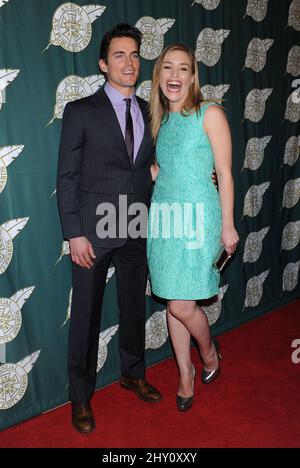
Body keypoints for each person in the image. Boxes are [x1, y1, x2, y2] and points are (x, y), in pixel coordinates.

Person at [57, 23, 162, 434]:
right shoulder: (81, 111)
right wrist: (75, 233)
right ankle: (80, 397)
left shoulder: (151, 111)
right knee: (85, 316)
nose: (129, 63)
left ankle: (132, 373)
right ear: (103, 64)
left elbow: (148, 166)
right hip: (94, 230)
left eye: (135, 55)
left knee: (134, 304)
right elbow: (67, 177)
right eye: (120, 55)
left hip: (136, 223)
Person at [147, 44, 239, 411]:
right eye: (167, 68)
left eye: (183, 69)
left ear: (192, 76)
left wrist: (228, 226)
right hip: (165, 221)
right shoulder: (161, 122)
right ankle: (185, 374)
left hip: (200, 219)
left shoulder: (210, 113)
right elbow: (161, 173)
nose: (174, 76)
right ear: (159, 77)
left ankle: (209, 351)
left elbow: (226, 175)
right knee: (173, 302)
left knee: (182, 305)